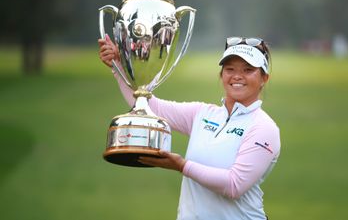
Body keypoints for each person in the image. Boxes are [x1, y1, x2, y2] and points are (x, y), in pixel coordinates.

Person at [98, 35, 281, 220]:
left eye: (248, 70)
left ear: (264, 78)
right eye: (230, 69)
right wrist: (119, 67)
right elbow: (150, 108)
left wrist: (182, 166)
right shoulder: (202, 114)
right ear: (221, 75)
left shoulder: (263, 127)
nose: (237, 76)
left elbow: (234, 185)